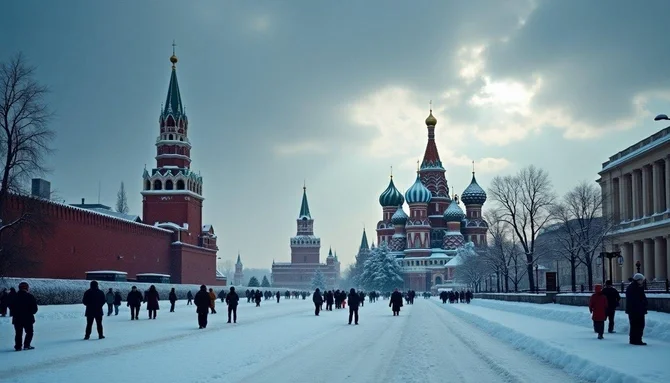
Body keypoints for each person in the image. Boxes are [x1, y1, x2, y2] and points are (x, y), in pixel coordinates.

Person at [11, 281, 38, 351]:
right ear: (27, 288)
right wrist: (30, 312)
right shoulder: (30, 297)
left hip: (17, 318)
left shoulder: (14, 296)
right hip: (28, 318)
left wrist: (15, 313)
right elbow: (35, 309)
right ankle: (26, 345)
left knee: (18, 333)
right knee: (29, 332)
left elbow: (11, 307)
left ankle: (18, 346)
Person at [626, 273, 648, 345]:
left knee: (634, 325)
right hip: (637, 310)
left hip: (634, 310)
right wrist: (643, 303)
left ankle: (633, 339)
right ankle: (637, 340)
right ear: (638, 280)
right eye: (642, 280)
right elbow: (636, 300)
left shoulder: (634, 287)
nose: (642, 281)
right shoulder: (635, 288)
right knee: (639, 325)